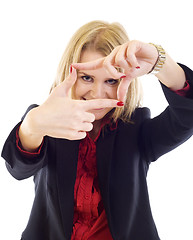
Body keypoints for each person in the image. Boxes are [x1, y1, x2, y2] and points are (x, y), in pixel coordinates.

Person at [1, 20, 193, 240]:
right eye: (86, 77)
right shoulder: (48, 121)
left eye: (111, 80)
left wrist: (161, 62)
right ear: (68, 73)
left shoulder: (136, 128)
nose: (97, 93)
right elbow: (17, 169)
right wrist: (33, 125)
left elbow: (187, 117)